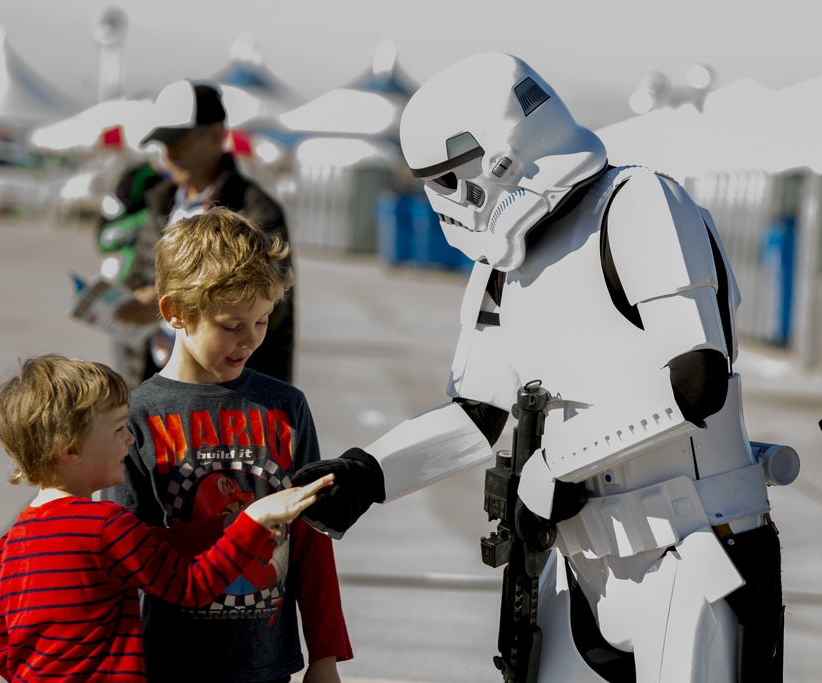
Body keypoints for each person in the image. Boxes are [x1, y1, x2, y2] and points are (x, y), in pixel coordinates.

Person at [294, 53, 792, 682]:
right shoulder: (503, 263)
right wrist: (367, 474)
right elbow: (477, 413)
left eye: (450, 178)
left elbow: (696, 379)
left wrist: (558, 463)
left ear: (504, 151)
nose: (443, 201)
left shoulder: (639, 201)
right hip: (577, 566)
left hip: (691, 552)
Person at [105, 208, 352, 683]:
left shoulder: (286, 406)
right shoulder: (136, 416)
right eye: (231, 326)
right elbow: (127, 555)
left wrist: (325, 655)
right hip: (169, 664)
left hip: (267, 664)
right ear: (174, 311)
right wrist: (240, 526)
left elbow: (312, 534)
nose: (249, 341)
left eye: (261, 322)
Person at [0, 353, 333, 683]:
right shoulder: (105, 526)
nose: (130, 438)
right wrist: (252, 522)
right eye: (118, 429)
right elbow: (191, 586)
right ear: (70, 449)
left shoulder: (12, 542)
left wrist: (222, 526)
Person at [114, 79, 295, 389]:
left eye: (179, 141)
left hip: (231, 394)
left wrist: (162, 303)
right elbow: (140, 275)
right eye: (165, 143)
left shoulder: (255, 209)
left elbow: (271, 303)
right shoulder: (161, 201)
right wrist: (123, 300)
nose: (170, 153)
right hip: (157, 380)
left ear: (215, 134)